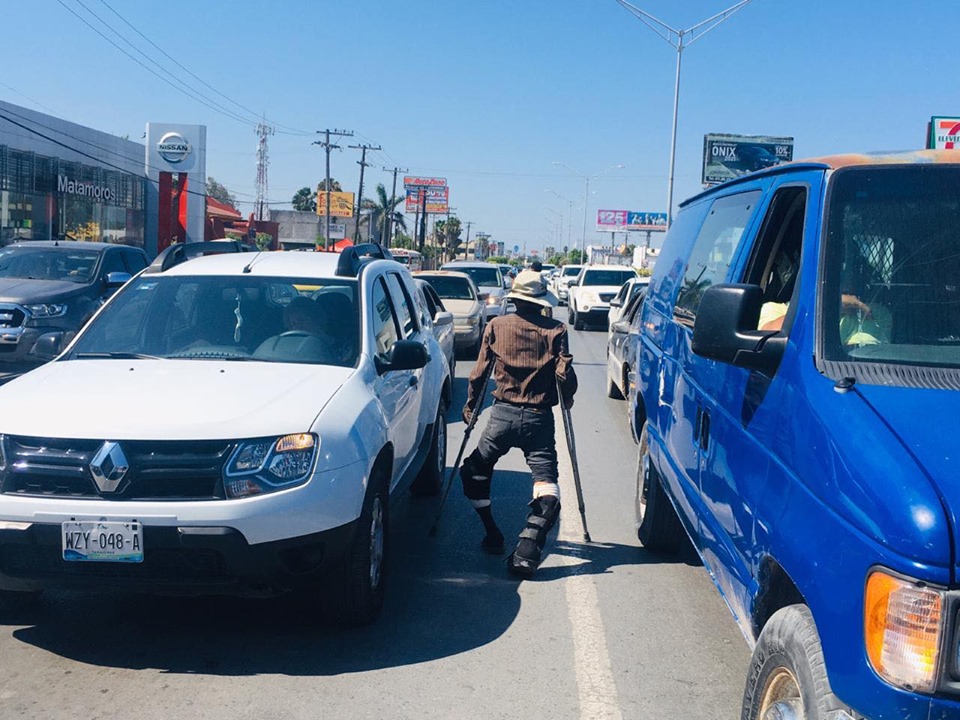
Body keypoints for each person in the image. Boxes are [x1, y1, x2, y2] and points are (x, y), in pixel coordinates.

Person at [459, 269, 578, 578]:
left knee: (474, 471)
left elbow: (479, 373)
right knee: (547, 485)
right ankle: (527, 549)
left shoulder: (496, 326)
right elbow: (564, 374)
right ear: (540, 301)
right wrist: (567, 397)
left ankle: (492, 533)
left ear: (515, 299)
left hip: (502, 416)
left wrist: (471, 407)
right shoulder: (556, 330)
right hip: (539, 420)